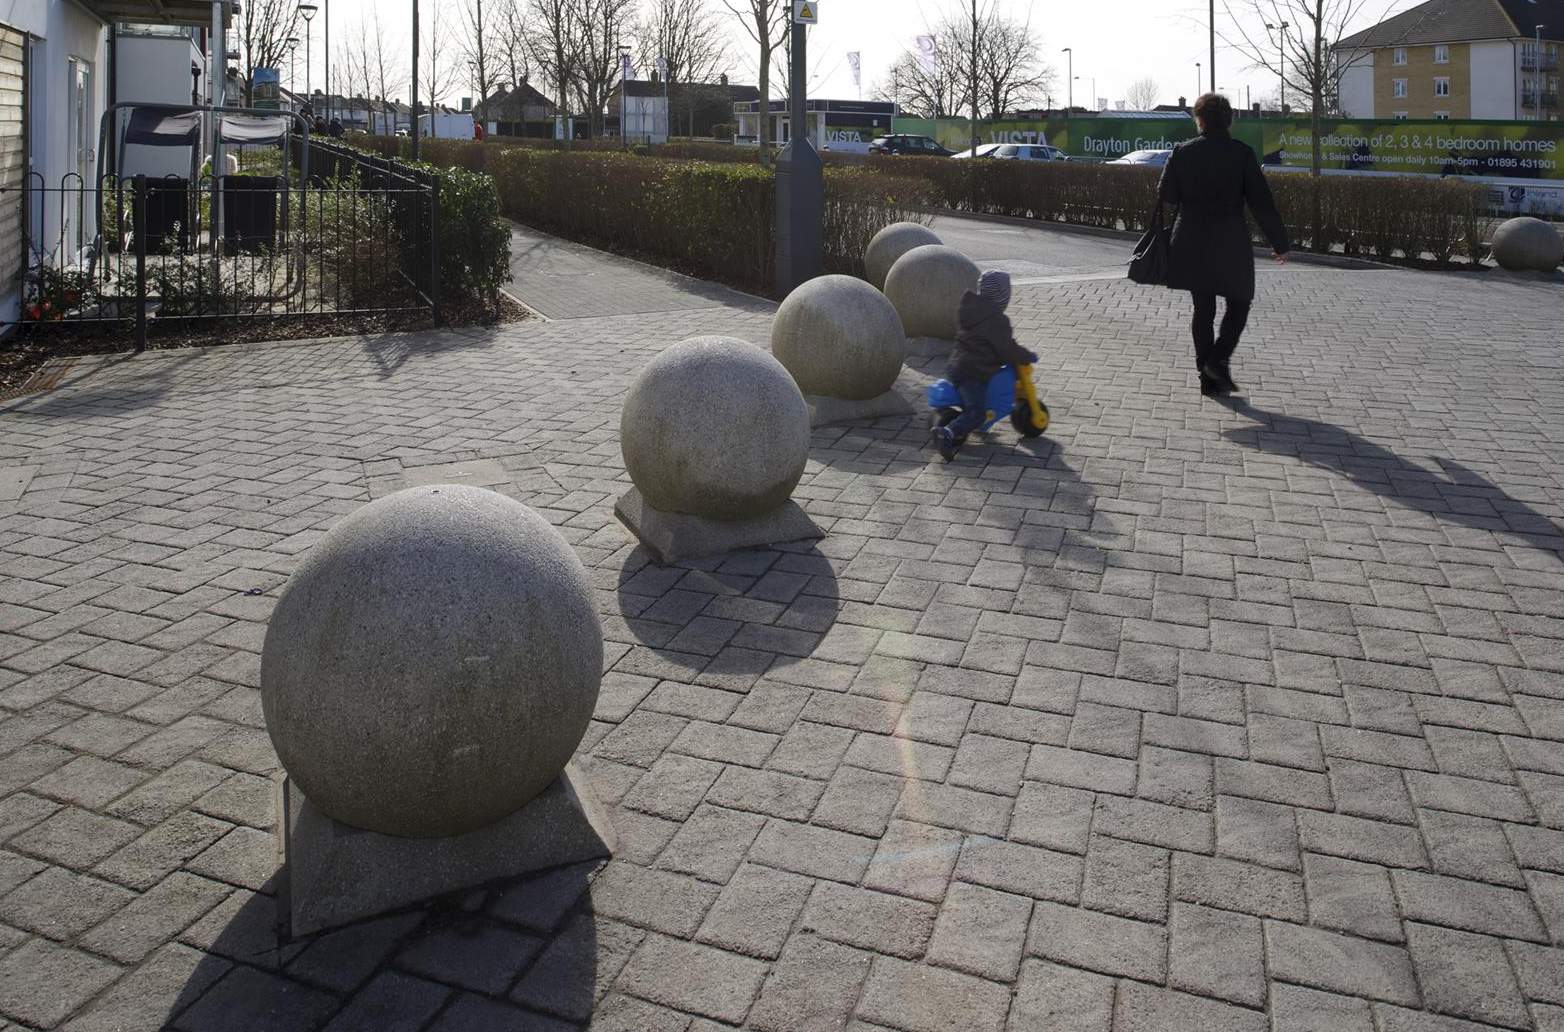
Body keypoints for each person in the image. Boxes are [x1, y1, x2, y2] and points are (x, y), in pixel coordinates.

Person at [1157, 93, 1289, 397]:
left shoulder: (1182, 152)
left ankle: (1207, 375)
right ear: (1228, 120)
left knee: (1202, 309)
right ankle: (1218, 360)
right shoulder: (1241, 154)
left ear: (1199, 120)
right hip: (1230, 241)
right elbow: (1262, 204)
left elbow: (1167, 194)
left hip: (1190, 239)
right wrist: (1280, 242)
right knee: (1239, 303)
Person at [930, 270, 1039, 462]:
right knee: (977, 413)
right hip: (973, 374)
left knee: (976, 401)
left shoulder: (971, 311)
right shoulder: (996, 321)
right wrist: (1026, 355)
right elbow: (1006, 348)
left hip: (957, 366)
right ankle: (946, 433)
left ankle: (957, 424)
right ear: (1002, 297)